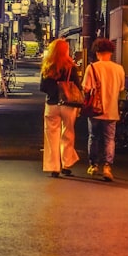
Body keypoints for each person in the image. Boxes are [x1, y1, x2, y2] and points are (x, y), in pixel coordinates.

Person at [82, 37, 126, 181]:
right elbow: (121, 89)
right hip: (112, 110)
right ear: (111, 52)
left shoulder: (92, 67)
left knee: (93, 137)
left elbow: (86, 88)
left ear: (97, 52)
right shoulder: (119, 69)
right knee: (109, 139)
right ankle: (107, 167)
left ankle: (93, 165)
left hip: (95, 110)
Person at [38, 38, 82, 178]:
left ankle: (54, 167)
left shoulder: (47, 65)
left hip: (52, 104)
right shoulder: (71, 67)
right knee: (68, 134)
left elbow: (42, 87)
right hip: (68, 104)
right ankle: (67, 164)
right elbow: (77, 86)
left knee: (51, 136)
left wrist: (53, 92)